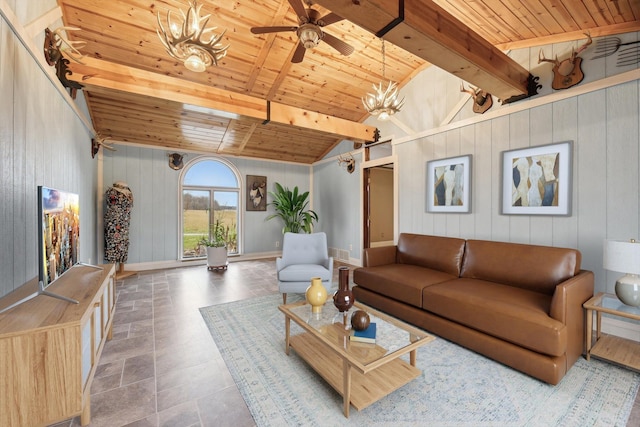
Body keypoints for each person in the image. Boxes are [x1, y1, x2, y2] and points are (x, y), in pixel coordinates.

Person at [104, 181, 133, 272]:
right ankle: (112, 270)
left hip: (124, 223)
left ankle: (121, 268)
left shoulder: (128, 191)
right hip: (113, 223)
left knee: (123, 244)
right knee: (113, 244)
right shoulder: (112, 192)